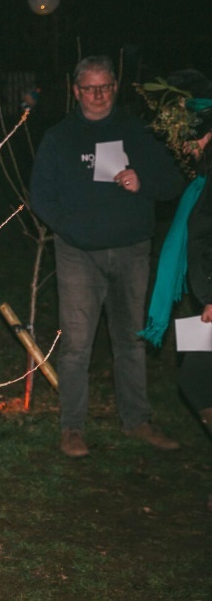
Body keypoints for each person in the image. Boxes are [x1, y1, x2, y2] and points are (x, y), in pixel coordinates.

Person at [30, 55, 184, 458]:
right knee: (77, 345)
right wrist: (73, 230)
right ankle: (73, 429)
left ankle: (137, 420)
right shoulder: (59, 137)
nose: (98, 95)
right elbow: (41, 196)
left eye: (105, 87)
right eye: (89, 88)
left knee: (131, 341)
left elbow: (172, 181)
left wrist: (143, 181)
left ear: (115, 88)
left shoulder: (136, 132)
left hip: (132, 252)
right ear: (76, 91)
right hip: (79, 255)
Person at [138, 71, 212, 508]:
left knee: (197, 380)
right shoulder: (202, 177)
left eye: (192, 136)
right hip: (196, 297)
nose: (184, 145)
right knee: (194, 377)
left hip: (209, 300)